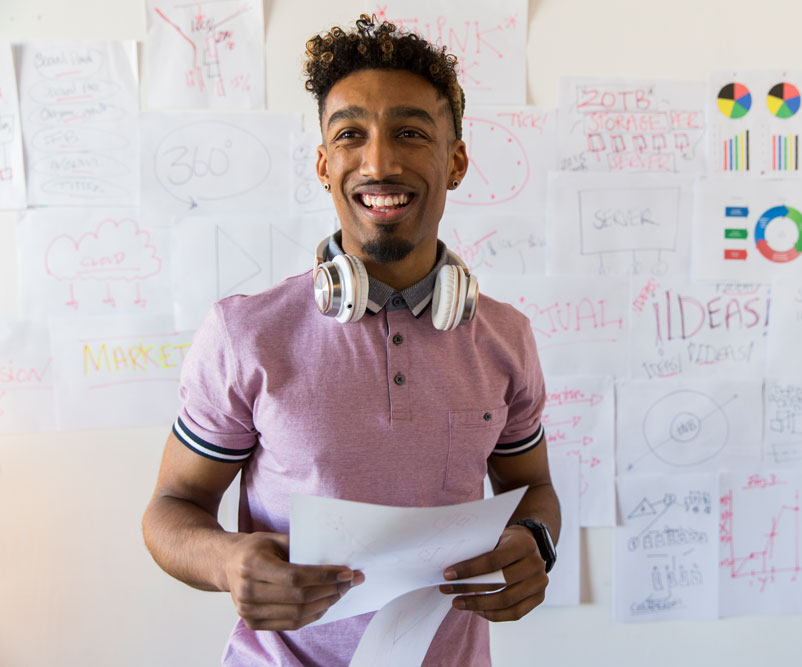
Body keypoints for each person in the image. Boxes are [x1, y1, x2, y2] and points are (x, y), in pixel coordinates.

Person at [141, 14, 560, 667]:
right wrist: (227, 561)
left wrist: (535, 540)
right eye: (350, 135)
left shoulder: (505, 338)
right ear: (324, 163)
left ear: (456, 161)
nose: (380, 162)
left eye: (410, 133)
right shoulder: (245, 334)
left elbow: (533, 487)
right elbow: (172, 507)